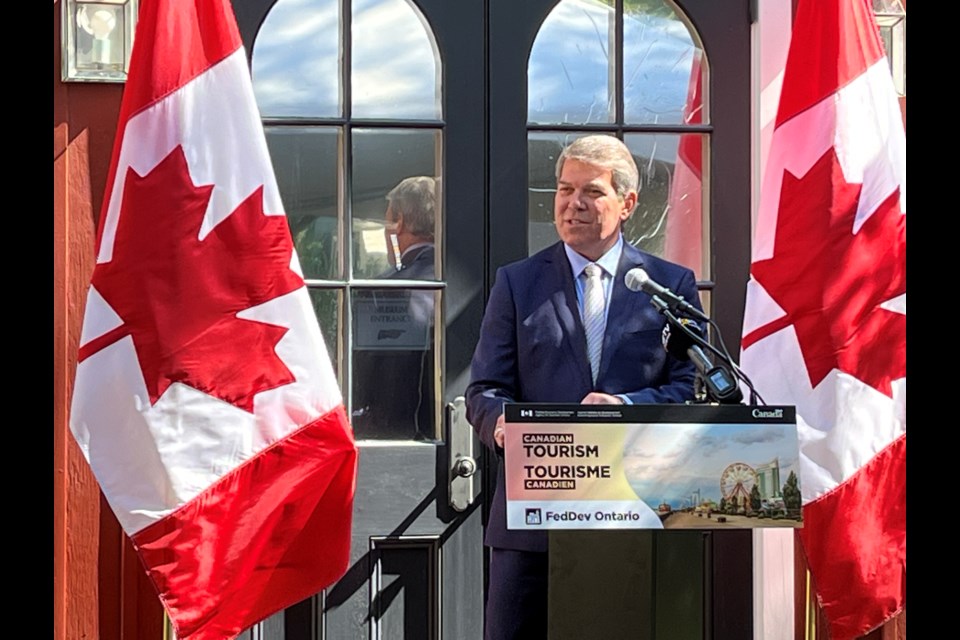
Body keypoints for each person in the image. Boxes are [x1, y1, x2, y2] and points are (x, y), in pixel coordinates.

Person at [465, 135, 702, 640]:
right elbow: (485, 388)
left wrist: (626, 406)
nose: (573, 203)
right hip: (534, 525)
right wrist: (503, 424)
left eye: (591, 191)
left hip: (637, 515)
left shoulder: (669, 285)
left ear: (627, 203)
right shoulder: (517, 283)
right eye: (564, 189)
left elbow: (691, 384)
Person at [352, 176, 438, 439]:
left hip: (392, 431)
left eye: (387, 219)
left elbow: (359, 377)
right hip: (451, 425)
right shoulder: (465, 281)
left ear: (398, 221)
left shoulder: (382, 289)